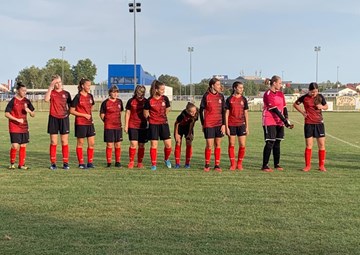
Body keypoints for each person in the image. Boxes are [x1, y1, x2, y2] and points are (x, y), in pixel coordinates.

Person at [293, 82, 328, 172]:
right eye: (313, 92)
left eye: (316, 91)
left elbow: (326, 106)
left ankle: (321, 166)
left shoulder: (320, 97)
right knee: (309, 145)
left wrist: (322, 107)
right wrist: (302, 112)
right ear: (309, 91)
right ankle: (308, 166)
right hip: (308, 123)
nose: (314, 93)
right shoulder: (304, 97)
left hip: (319, 123)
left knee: (321, 145)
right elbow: (295, 104)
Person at [262, 75, 294, 172]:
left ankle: (277, 164)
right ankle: (265, 165)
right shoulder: (267, 94)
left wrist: (286, 118)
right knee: (270, 142)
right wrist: (285, 121)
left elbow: (284, 107)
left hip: (280, 121)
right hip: (269, 120)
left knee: (277, 142)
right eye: (280, 83)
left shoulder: (280, 94)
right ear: (274, 83)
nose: (281, 85)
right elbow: (275, 109)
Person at [5, 81, 35, 170]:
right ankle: (12, 163)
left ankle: (21, 164)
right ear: (18, 91)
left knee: (23, 145)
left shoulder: (27, 101)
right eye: (23, 90)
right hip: (14, 126)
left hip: (24, 127)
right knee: (15, 146)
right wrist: (17, 119)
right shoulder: (13, 101)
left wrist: (29, 111)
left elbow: (33, 114)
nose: (24, 92)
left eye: (25, 91)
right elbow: (6, 114)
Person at [44, 75, 72, 170]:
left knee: (64, 141)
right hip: (53, 118)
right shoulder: (51, 92)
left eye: (59, 82)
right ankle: (53, 163)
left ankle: (65, 162)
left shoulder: (66, 94)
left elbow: (71, 107)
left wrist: (66, 114)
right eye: (56, 82)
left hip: (64, 119)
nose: (58, 84)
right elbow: (46, 99)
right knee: (53, 142)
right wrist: (50, 87)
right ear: (53, 83)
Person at [144, 80, 172, 170]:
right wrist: (151, 119)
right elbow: (145, 113)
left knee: (168, 145)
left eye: (164, 89)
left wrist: (162, 117)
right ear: (156, 90)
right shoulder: (149, 100)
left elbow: (168, 109)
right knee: (154, 145)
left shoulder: (165, 99)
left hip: (163, 124)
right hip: (153, 125)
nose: (163, 91)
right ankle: (153, 164)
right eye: (162, 89)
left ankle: (166, 159)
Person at [199, 77, 225, 172]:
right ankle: (207, 164)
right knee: (209, 145)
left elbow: (223, 111)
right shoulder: (206, 96)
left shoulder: (221, 96)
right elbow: (201, 110)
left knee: (218, 144)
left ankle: (217, 165)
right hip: (209, 124)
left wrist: (224, 124)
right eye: (218, 84)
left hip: (219, 123)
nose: (219, 86)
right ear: (212, 85)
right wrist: (203, 124)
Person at [70, 78, 96, 169]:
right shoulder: (77, 97)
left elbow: (91, 106)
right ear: (82, 86)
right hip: (80, 123)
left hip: (89, 123)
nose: (89, 87)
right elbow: (72, 111)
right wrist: (84, 115)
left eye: (90, 85)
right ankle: (81, 163)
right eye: (88, 85)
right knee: (80, 143)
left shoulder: (90, 96)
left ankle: (90, 162)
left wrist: (89, 115)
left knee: (92, 143)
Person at [225, 81, 249, 171]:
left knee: (242, 144)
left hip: (241, 124)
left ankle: (239, 164)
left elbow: (246, 113)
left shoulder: (244, 99)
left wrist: (247, 126)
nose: (242, 89)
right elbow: (226, 114)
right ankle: (233, 164)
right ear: (235, 88)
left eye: (242, 88)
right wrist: (226, 127)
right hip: (231, 124)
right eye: (240, 88)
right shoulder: (229, 99)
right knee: (231, 144)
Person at [124, 85, 148, 169]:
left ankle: (140, 162)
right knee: (133, 144)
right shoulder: (131, 101)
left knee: (141, 145)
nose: (140, 94)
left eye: (142, 92)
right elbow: (127, 113)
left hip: (143, 126)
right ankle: (131, 162)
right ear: (136, 92)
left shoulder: (146, 101)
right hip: (133, 125)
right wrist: (126, 125)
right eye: (138, 92)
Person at [99, 86, 124, 168]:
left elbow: (120, 113)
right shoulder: (105, 103)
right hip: (109, 127)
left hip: (118, 127)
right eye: (113, 92)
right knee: (109, 145)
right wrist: (107, 122)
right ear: (110, 93)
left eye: (116, 92)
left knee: (118, 145)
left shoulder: (120, 102)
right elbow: (102, 115)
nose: (115, 94)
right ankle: (109, 162)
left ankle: (117, 162)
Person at [173, 102, 198, 169]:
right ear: (187, 111)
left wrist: (190, 134)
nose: (193, 113)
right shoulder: (183, 115)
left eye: (194, 111)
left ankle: (187, 163)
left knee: (189, 143)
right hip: (180, 127)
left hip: (188, 128)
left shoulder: (196, 113)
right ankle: (177, 163)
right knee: (178, 142)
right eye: (191, 112)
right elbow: (176, 123)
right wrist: (176, 134)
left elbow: (192, 123)